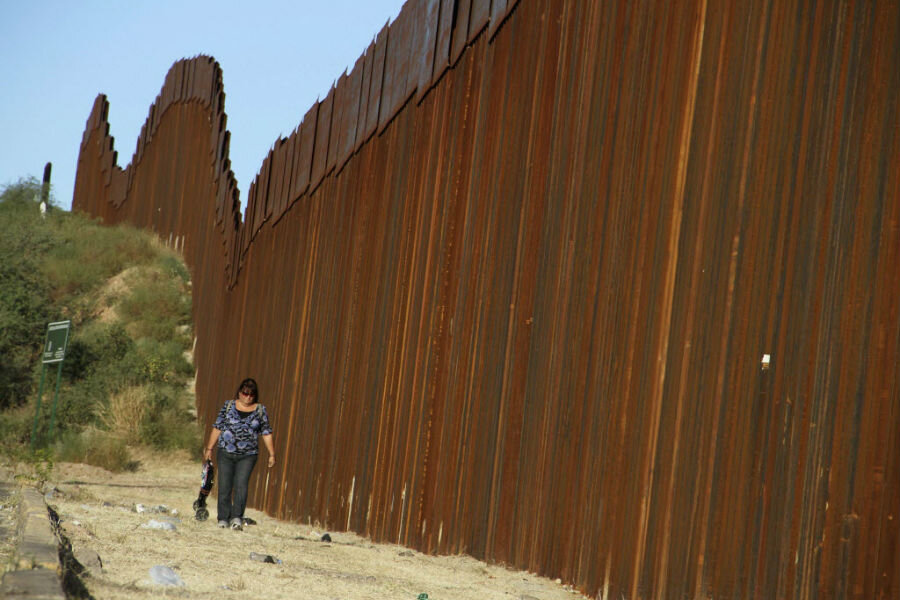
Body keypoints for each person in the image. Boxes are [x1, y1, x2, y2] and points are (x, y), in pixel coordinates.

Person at [203, 378, 275, 530]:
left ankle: (236, 517)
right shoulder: (228, 406)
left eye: (251, 394)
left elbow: (266, 432)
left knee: (241, 485)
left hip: (248, 455)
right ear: (239, 392)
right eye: (245, 393)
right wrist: (209, 448)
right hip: (225, 452)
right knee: (224, 485)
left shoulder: (260, 410)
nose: (248, 397)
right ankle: (223, 518)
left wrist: (272, 454)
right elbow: (218, 427)